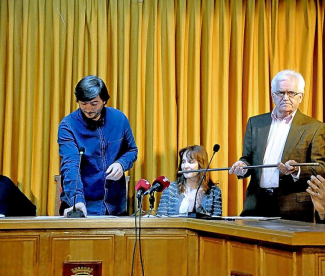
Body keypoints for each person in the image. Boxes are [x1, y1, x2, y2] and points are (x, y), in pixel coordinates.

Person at [229, 69, 325, 222]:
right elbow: (247, 159)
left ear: (300, 96)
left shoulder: (314, 127)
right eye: (280, 93)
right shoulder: (255, 123)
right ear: (272, 95)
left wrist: (297, 170)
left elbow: (322, 169)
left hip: (293, 208)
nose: (285, 98)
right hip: (256, 204)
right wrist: (241, 167)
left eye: (291, 93)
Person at [58, 75, 138, 216]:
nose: (88, 109)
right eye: (83, 103)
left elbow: (132, 150)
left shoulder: (119, 119)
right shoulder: (68, 125)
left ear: (104, 101)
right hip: (82, 204)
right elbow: (70, 164)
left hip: (115, 205)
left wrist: (121, 164)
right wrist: (77, 200)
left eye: (94, 103)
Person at [157, 145, 222, 216]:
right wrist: (190, 209)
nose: (185, 166)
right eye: (183, 162)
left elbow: (216, 224)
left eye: (190, 162)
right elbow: (161, 221)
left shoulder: (214, 192)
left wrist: (199, 209)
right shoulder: (170, 189)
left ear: (201, 165)